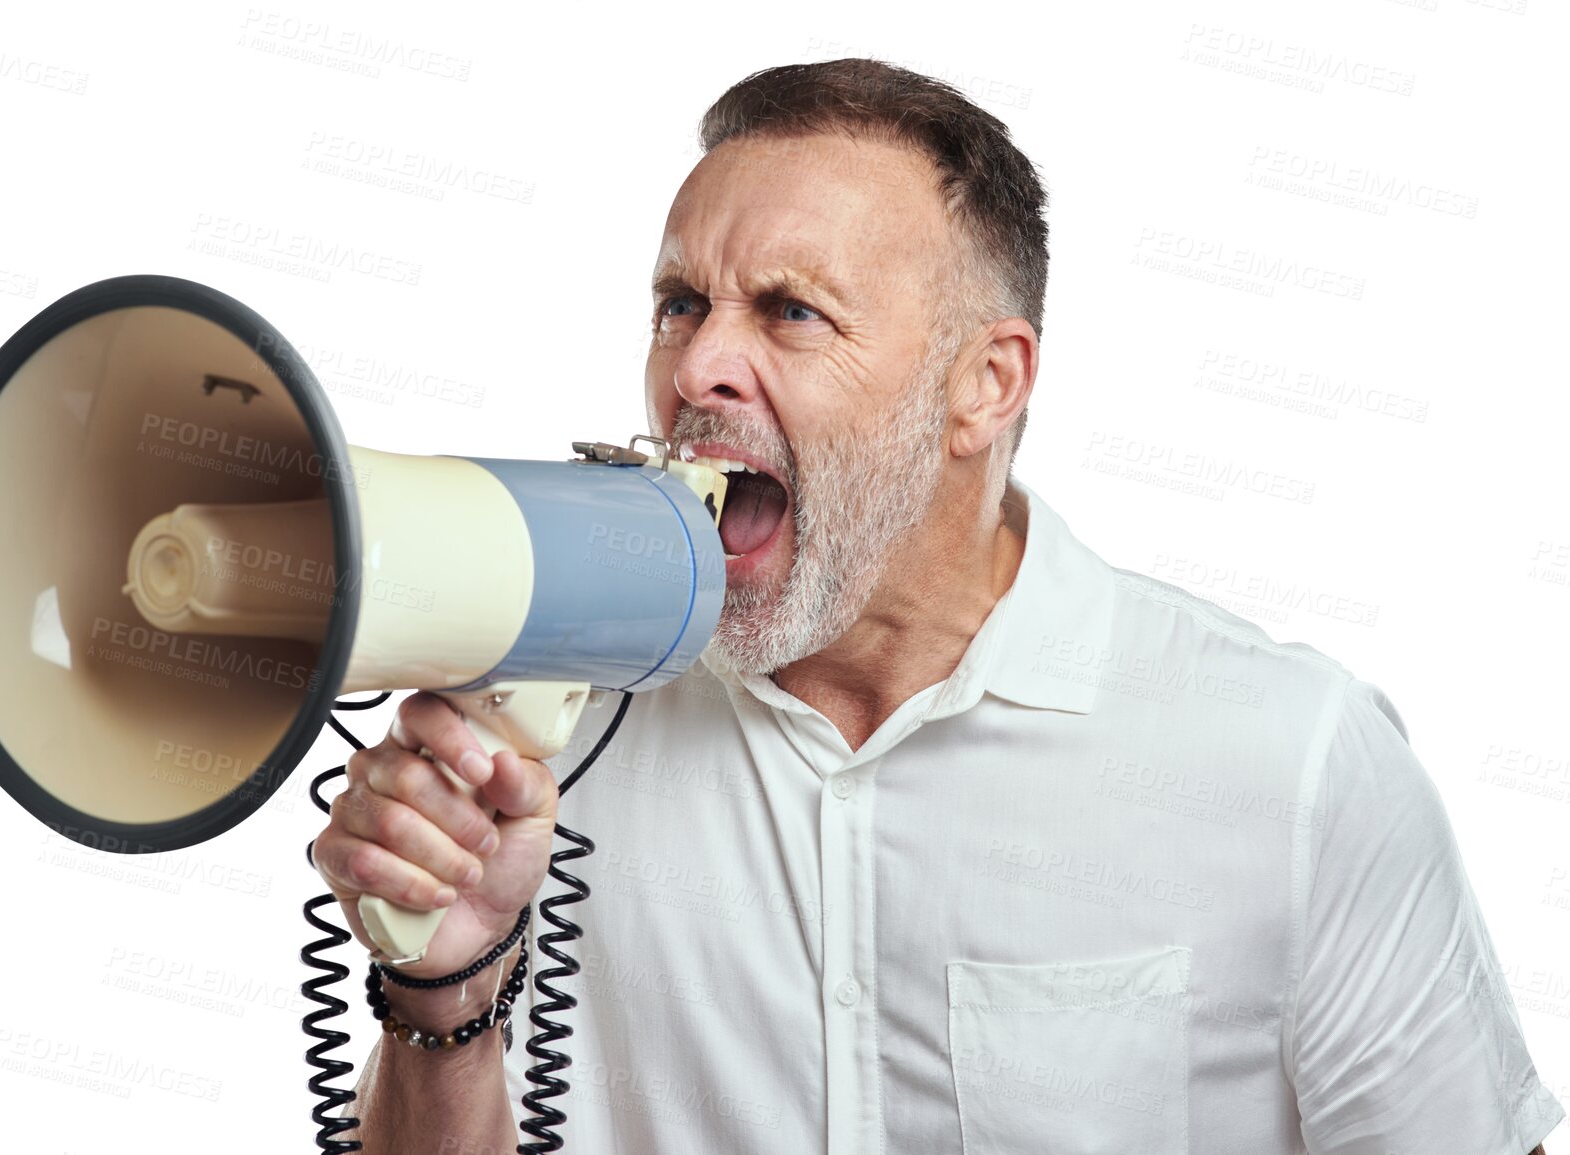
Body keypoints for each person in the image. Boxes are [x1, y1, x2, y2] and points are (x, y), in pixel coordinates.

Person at [314, 58, 1561, 1154]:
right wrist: (449, 1001)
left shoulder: (1290, 765)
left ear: (986, 386)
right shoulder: (548, 734)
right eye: (681, 304)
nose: (695, 367)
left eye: (790, 312)